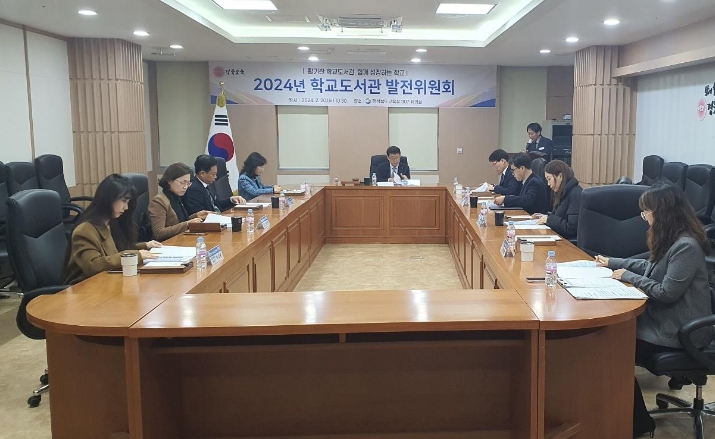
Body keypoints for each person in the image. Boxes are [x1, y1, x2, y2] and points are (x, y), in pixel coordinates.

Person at [595, 184, 712, 438]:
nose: (645, 218)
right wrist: (612, 262)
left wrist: (628, 277)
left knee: (612, 352)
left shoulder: (686, 246)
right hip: (668, 320)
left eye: (646, 212)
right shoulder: (673, 240)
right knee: (610, 346)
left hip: (684, 332)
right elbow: (649, 267)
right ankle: (629, 421)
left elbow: (666, 292)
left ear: (663, 213)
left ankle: (639, 425)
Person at [64, 174, 161, 284]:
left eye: (128, 202)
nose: (126, 207)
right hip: (85, 287)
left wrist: (145, 246)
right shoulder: (84, 231)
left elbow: (117, 250)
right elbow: (93, 265)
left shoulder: (111, 222)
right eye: (124, 201)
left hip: (106, 281)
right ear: (109, 199)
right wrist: (135, 256)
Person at [149, 163, 211, 241]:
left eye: (188, 183)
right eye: (182, 182)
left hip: (181, 239)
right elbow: (159, 233)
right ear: (169, 180)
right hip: (167, 244)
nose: (185, 187)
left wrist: (196, 216)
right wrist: (187, 224)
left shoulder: (177, 197)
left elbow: (179, 221)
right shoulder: (159, 201)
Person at [533, 160, 582, 239]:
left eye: (549, 179)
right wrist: (545, 217)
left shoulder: (575, 194)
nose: (548, 184)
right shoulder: (562, 192)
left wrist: (548, 219)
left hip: (567, 242)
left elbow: (570, 228)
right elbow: (559, 217)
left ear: (560, 176)